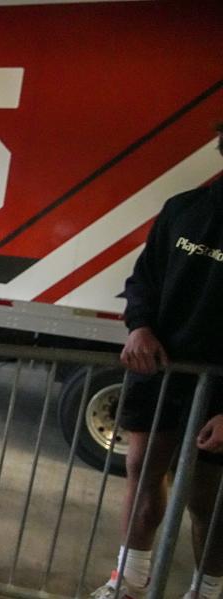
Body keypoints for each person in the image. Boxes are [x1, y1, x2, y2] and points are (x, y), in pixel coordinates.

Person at [91, 123, 223, 599]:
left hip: (219, 391)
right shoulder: (184, 210)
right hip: (160, 374)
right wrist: (140, 327)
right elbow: (143, 281)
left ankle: (206, 592)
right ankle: (128, 582)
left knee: (207, 499)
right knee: (144, 472)